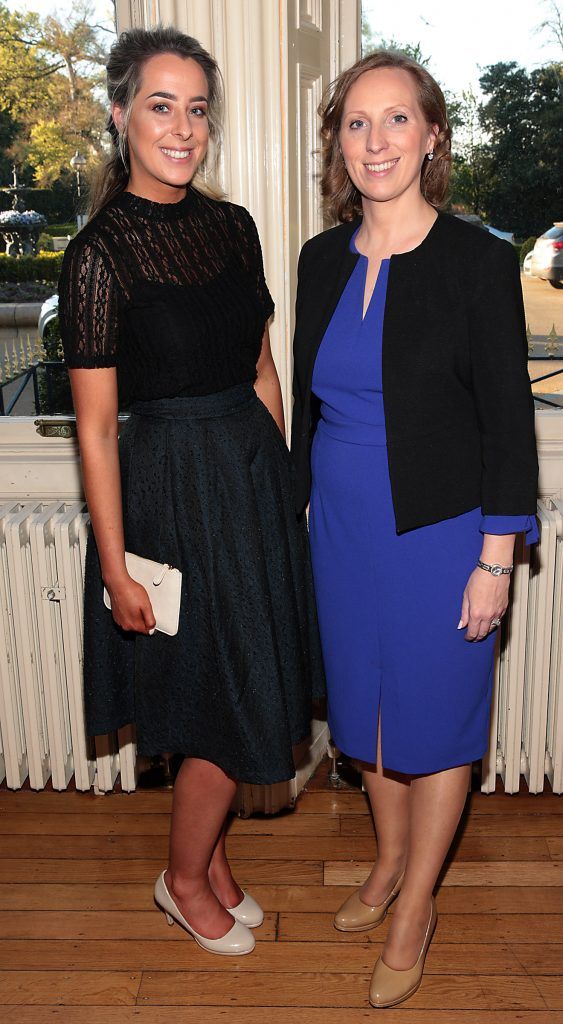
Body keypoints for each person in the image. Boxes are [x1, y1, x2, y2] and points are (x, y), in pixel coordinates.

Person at [58, 26, 323, 958]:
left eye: (197, 108)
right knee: (217, 693)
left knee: (244, 681)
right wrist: (114, 562)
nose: (181, 127)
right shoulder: (97, 255)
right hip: (171, 493)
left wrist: (283, 479)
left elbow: (260, 366)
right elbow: (96, 428)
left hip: (248, 481)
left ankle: (205, 865)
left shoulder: (233, 226)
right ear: (123, 116)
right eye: (160, 105)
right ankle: (181, 881)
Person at [291, 50, 538, 1008]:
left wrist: (495, 560)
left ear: (432, 135)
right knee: (365, 719)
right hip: (343, 528)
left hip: (443, 531)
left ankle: (415, 906)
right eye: (356, 122)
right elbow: (304, 406)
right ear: (338, 143)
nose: (375, 141)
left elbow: (507, 424)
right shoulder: (318, 259)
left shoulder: (478, 262)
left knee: (434, 726)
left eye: (396, 120)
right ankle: (387, 861)